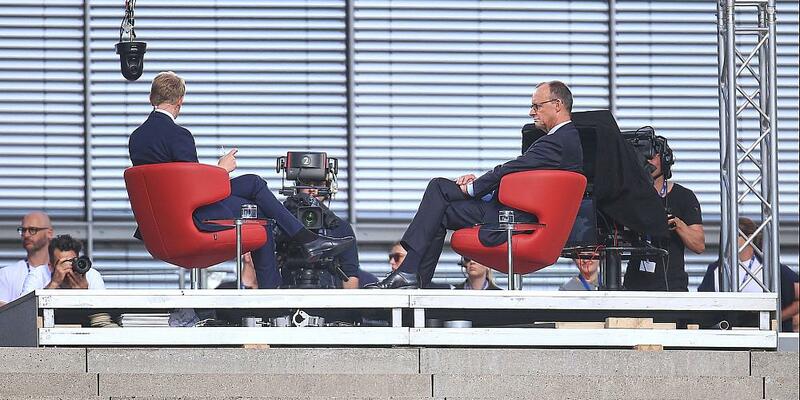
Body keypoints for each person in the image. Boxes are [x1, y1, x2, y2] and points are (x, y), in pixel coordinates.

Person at [128, 71, 353, 289]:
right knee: (260, 217)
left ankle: (307, 240)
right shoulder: (179, 135)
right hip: (192, 215)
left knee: (253, 183)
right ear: (180, 100)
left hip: (165, 216)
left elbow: (170, 184)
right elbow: (192, 189)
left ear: (151, 98)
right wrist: (221, 170)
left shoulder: (136, 138)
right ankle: (273, 293)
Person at [367, 80, 583, 289]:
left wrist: (474, 188)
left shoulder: (558, 141)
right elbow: (521, 180)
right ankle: (414, 278)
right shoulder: (565, 139)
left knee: (439, 187)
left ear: (557, 105)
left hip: (514, 219)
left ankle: (409, 273)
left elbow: (509, 169)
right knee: (442, 210)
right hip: (512, 209)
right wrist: (480, 189)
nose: (531, 112)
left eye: (536, 106)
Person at [623, 136, 704, 291]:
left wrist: (678, 224)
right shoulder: (629, 195)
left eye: (652, 156)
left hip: (672, 287)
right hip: (634, 287)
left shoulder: (684, 196)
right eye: (643, 156)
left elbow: (699, 245)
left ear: (666, 160)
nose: (647, 161)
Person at [699, 217, 799, 332]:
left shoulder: (769, 269)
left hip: (763, 335)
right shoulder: (716, 269)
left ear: (750, 237)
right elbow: (703, 306)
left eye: (734, 235)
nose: (728, 240)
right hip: (726, 337)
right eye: (725, 235)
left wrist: (778, 318)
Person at [0, 212, 54, 305]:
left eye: (32, 230)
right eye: (23, 230)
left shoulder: (64, 271)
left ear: (49, 233)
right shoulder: (7, 274)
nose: (26, 235)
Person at [20, 234, 105, 293]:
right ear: (50, 266)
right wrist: (54, 284)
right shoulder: (38, 275)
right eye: (63, 263)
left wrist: (85, 293)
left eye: (73, 261)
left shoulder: (92, 275)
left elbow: (103, 311)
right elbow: (25, 309)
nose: (69, 266)